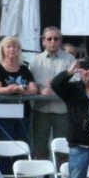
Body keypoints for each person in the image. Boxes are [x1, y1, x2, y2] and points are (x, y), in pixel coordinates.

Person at [29, 27, 77, 159]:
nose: (52, 42)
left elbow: (77, 83)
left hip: (62, 111)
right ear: (43, 41)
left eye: (56, 39)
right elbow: (28, 83)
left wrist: (57, 86)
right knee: (40, 149)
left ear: (60, 41)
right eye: (49, 39)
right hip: (40, 110)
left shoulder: (70, 60)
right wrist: (39, 90)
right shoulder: (35, 61)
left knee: (63, 150)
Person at [0, 35, 37, 150]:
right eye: (8, 47)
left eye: (15, 47)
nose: (12, 49)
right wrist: (13, 89)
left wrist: (21, 90)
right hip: (4, 111)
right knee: (5, 146)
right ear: (2, 50)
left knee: (22, 146)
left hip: (23, 112)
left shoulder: (24, 69)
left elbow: (34, 89)